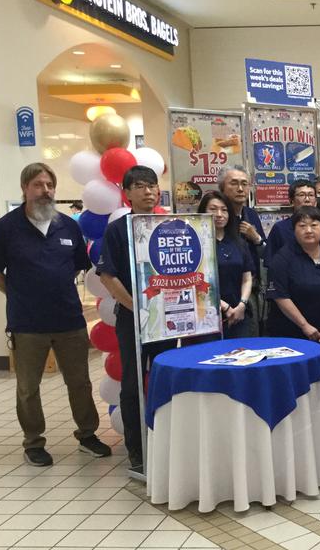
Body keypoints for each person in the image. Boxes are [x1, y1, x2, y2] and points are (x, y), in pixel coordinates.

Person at [0, 163, 110, 467]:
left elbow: (80, 265)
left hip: (69, 319)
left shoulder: (68, 226)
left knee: (79, 382)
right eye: (38, 185)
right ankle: (33, 442)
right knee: (29, 387)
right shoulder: (5, 228)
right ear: (25, 189)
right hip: (27, 323)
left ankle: (87, 433)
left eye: (50, 185)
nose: (45, 191)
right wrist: (19, 295)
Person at [97, 165, 177, 473]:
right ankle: (137, 450)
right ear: (127, 193)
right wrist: (137, 309)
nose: (148, 191)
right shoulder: (119, 229)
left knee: (166, 377)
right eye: (140, 186)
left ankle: (167, 440)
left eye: (152, 185)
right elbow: (107, 275)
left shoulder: (172, 225)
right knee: (132, 385)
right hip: (133, 319)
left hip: (168, 319)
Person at [267, 207, 320, 341]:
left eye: (314, 225)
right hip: (291, 334)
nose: (309, 230)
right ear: (294, 230)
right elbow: (280, 296)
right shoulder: (282, 258)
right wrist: (304, 325)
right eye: (302, 226)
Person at [198, 191, 254, 339]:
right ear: (203, 211)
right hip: (206, 316)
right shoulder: (195, 245)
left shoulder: (239, 243)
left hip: (239, 314)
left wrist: (242, 305)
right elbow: (196, 282)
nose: (219, 214)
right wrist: (225, 307)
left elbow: (247, 278)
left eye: (224, 210)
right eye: (213, 209)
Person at [219, 166, 266, 335]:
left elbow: (265, 255)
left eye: (244, 184)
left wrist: (256, 238)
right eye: (234, 183)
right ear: (222, 188)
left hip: (249, 291)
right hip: (221, 294)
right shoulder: (216, 218)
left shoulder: (251, 215)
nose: (240, 189)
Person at [266, 180, 320, 260]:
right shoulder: (280, 228)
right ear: (291, 200)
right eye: (302, 195)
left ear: (315, 201)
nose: (307, 199)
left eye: (311, 195)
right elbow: (271, 262)